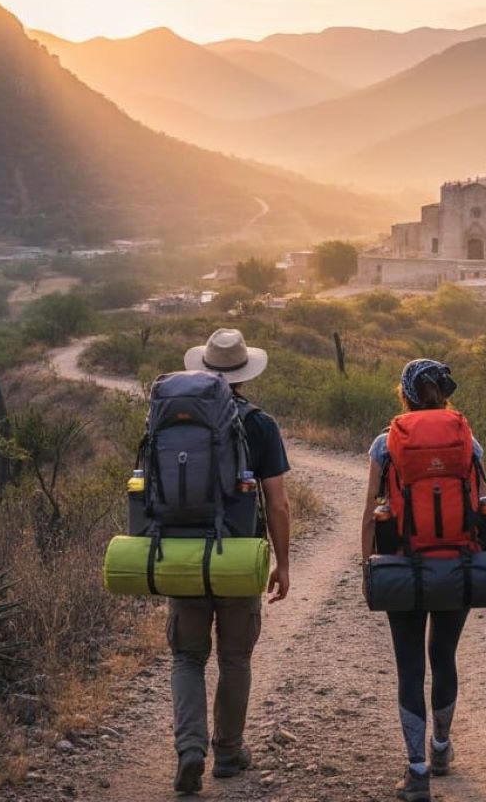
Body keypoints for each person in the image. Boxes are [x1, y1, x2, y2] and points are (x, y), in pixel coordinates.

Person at [169, 328, 291, 795]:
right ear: (244, 374)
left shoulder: (174, 418)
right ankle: (228, 752)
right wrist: (282, 563)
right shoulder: (260, 424)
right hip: (238, 556)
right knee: (235, 656)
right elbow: (277, 503)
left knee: (187, 656)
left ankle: (190, 749)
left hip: (181, 554)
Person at [360, 359, 484, 802]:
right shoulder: (469, 440)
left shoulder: (383, 444)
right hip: (457, 563)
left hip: (402, 566)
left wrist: (367, 566)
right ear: (444, 394)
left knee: (410, 665)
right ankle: (443, 748)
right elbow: (482, 507)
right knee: (444, 654)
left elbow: (373, 512)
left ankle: (416, 772)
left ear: (404, 395)